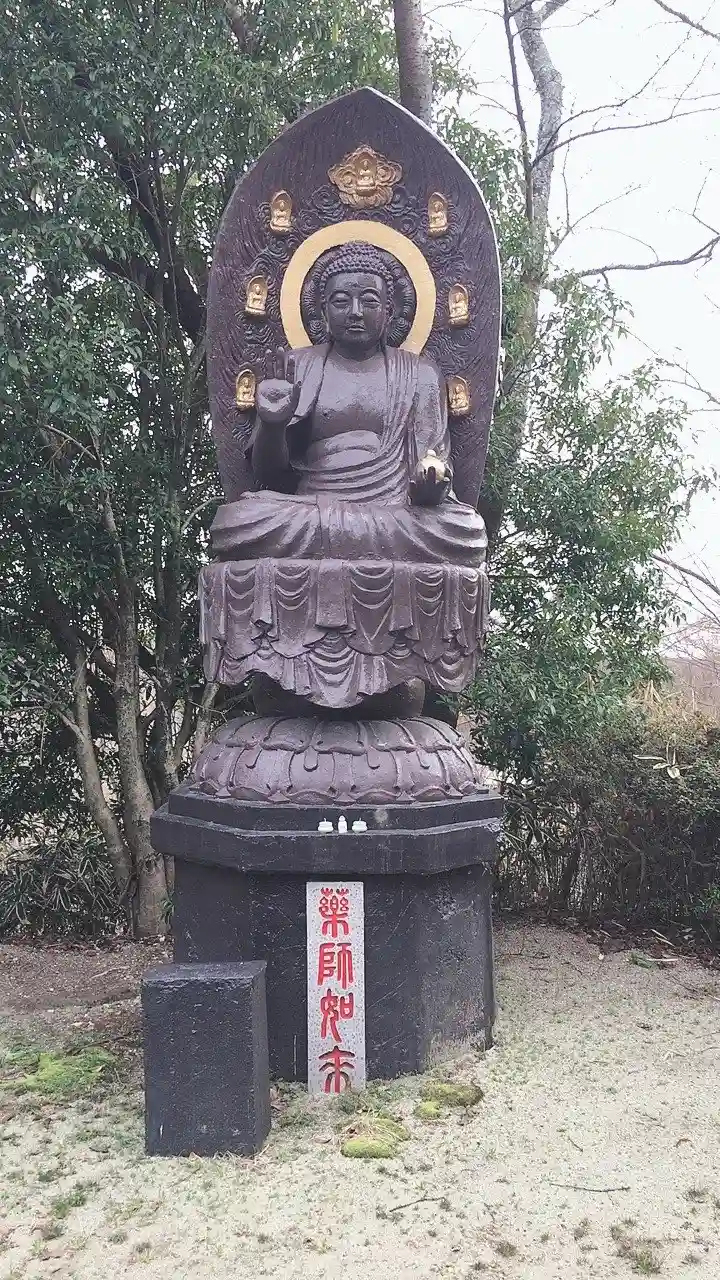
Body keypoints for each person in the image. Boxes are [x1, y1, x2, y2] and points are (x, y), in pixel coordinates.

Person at [211, 243, 486, 567]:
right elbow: (269, 476)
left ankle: (340, 540)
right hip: (311, 505)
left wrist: (430, 484)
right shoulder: (298, 368)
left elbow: (432, 462)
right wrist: (273, 424)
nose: (355, 312)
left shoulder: (420, 374)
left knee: (466, 529)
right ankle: (349, 539)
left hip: (395, 510)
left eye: (369, 301)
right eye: (341, 301)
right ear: (323, 311)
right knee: (235, 521)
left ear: (389, 311)